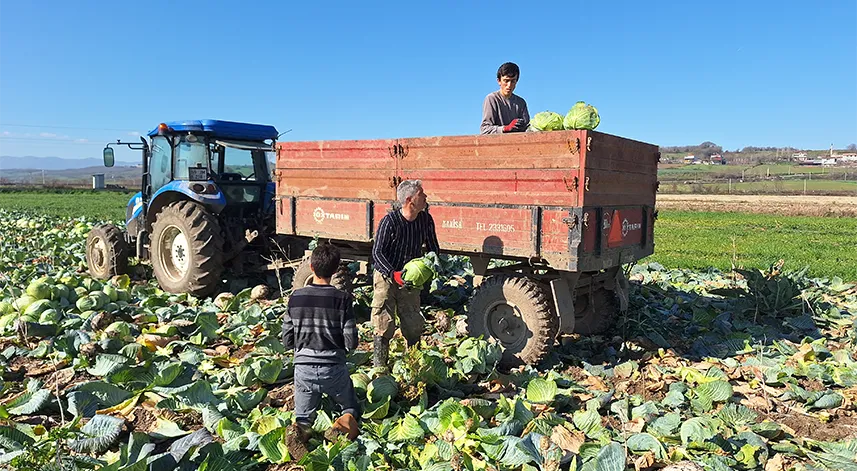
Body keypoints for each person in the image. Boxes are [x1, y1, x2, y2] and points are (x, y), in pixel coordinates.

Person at [282, 243, 360, 442]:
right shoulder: (342, 299)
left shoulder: (295, 298)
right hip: (333, 370)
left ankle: (299, 433)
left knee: (303, 417)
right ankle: (339, 429)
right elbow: (351, 341)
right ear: (335, 271)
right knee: (351, 408)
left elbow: (287, 339)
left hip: (303, 370)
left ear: (311, 267)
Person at [371, 179, 441, 369]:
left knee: (413, 322)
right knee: (383, 321)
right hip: (387, 275)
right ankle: (380, 367)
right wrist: (393, 274)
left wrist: (430, 268)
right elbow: (377, 253)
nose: (425, 196)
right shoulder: (390, 221)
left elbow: (433, 248)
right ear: (410, 200)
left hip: (410, 279)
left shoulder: (426, 220)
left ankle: (414, 365)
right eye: (421, 194)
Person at [480, 62, 530, 135]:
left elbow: (527, 128)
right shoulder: (492, 99)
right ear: (499, 81)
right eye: (506, 81)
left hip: (517, 141)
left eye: (513, 81)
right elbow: (484, 129)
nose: (509, 85)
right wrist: (505, 128)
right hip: (497, 141)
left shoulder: (521, 102)